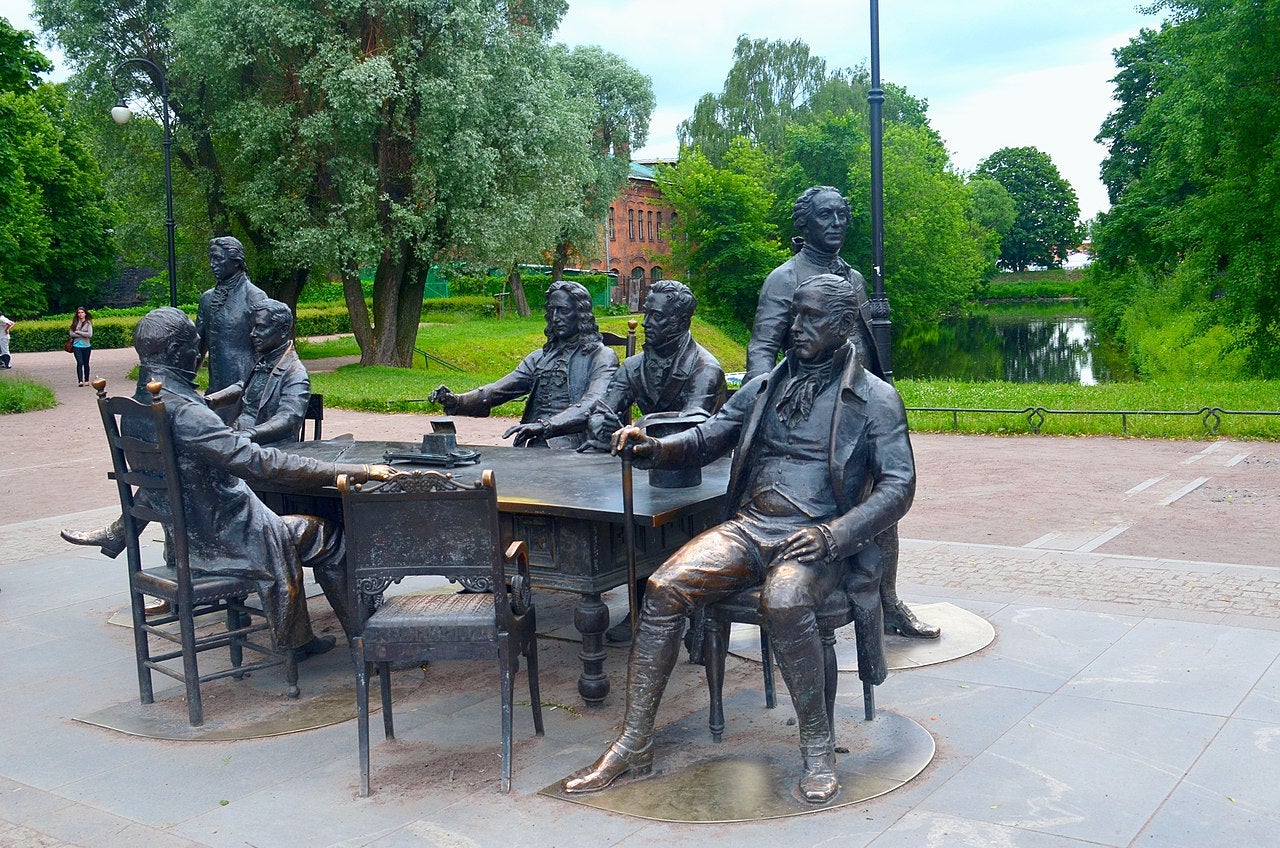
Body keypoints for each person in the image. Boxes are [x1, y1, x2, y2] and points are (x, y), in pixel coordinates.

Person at [563, 274, 916, 803]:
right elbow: (708, 436)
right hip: (749, 528)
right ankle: (634, 743)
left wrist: (836, 534)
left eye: (811, 317)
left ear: (843, 326)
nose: (795, 326)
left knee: (785, 598)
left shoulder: (876, 400)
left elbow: (899, 484)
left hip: (816, 539)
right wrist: (655, 447)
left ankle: (817, 747)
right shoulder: (764, 386)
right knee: (663, 587)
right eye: (794, 313)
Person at [64, 308, 395, 655]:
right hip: (226, 541)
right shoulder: (185, 414)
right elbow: (258, 463)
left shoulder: (141, 405)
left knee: (293, 524)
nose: (199, 353)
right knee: (332, 539)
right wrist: (355, 471)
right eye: (196, 345)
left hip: (188, 541)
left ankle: (299, 637)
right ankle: (369, 644)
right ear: (178, 351)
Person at [744, 185, 938, 640]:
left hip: (862, 408)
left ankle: (887, 603)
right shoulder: (785, 278)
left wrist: (881, 391)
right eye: (826, 216)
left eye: (842, 216)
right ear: (805, 223)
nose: (836, 224)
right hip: (816, 412)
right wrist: (760, 401)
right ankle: (791, 600)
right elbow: (763, 345)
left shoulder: (851, 276)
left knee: (883, 504)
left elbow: (862, 341)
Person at [429, 280, 618, 449]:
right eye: (551, 311)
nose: (555, 318)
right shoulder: (540, 358)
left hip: (578, 447)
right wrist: (457, 400)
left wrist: (545, 426)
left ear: (581, 314)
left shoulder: (602, 356)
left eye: (563, 311)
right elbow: (498, 390)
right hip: (536, 444)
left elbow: (594, 403)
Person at [204, 298, 310, 447]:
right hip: (240, 439)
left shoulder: (295, 373)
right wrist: (210, 400)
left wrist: (246, 435)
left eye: (261, 327)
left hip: (268, 449)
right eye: (252, 327)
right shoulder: (265, 360)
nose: (252, 334)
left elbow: (289, 419)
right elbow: (245, 387)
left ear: (284, 330)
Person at [196, 236, 268, 416]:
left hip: (244, 389)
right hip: (215, 388)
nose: (213, 264)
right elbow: (197, 349)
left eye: (219, 259)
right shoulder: (207, 299)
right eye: (211, 258)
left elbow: (266, 351)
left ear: (236, 262)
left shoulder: (255, 297)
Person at [70, 307, 93, 386]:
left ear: (85, 313)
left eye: (82, 312)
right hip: (76, 345)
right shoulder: (75, 323)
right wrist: (83, 333)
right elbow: (71, 333)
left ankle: (86, 380)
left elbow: (89, 334)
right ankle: (80, 380)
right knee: (80, 362)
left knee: (86, 363)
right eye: (79, 313)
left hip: (86, 346)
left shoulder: (88, 323)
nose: (80, 314)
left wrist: (79, 332)